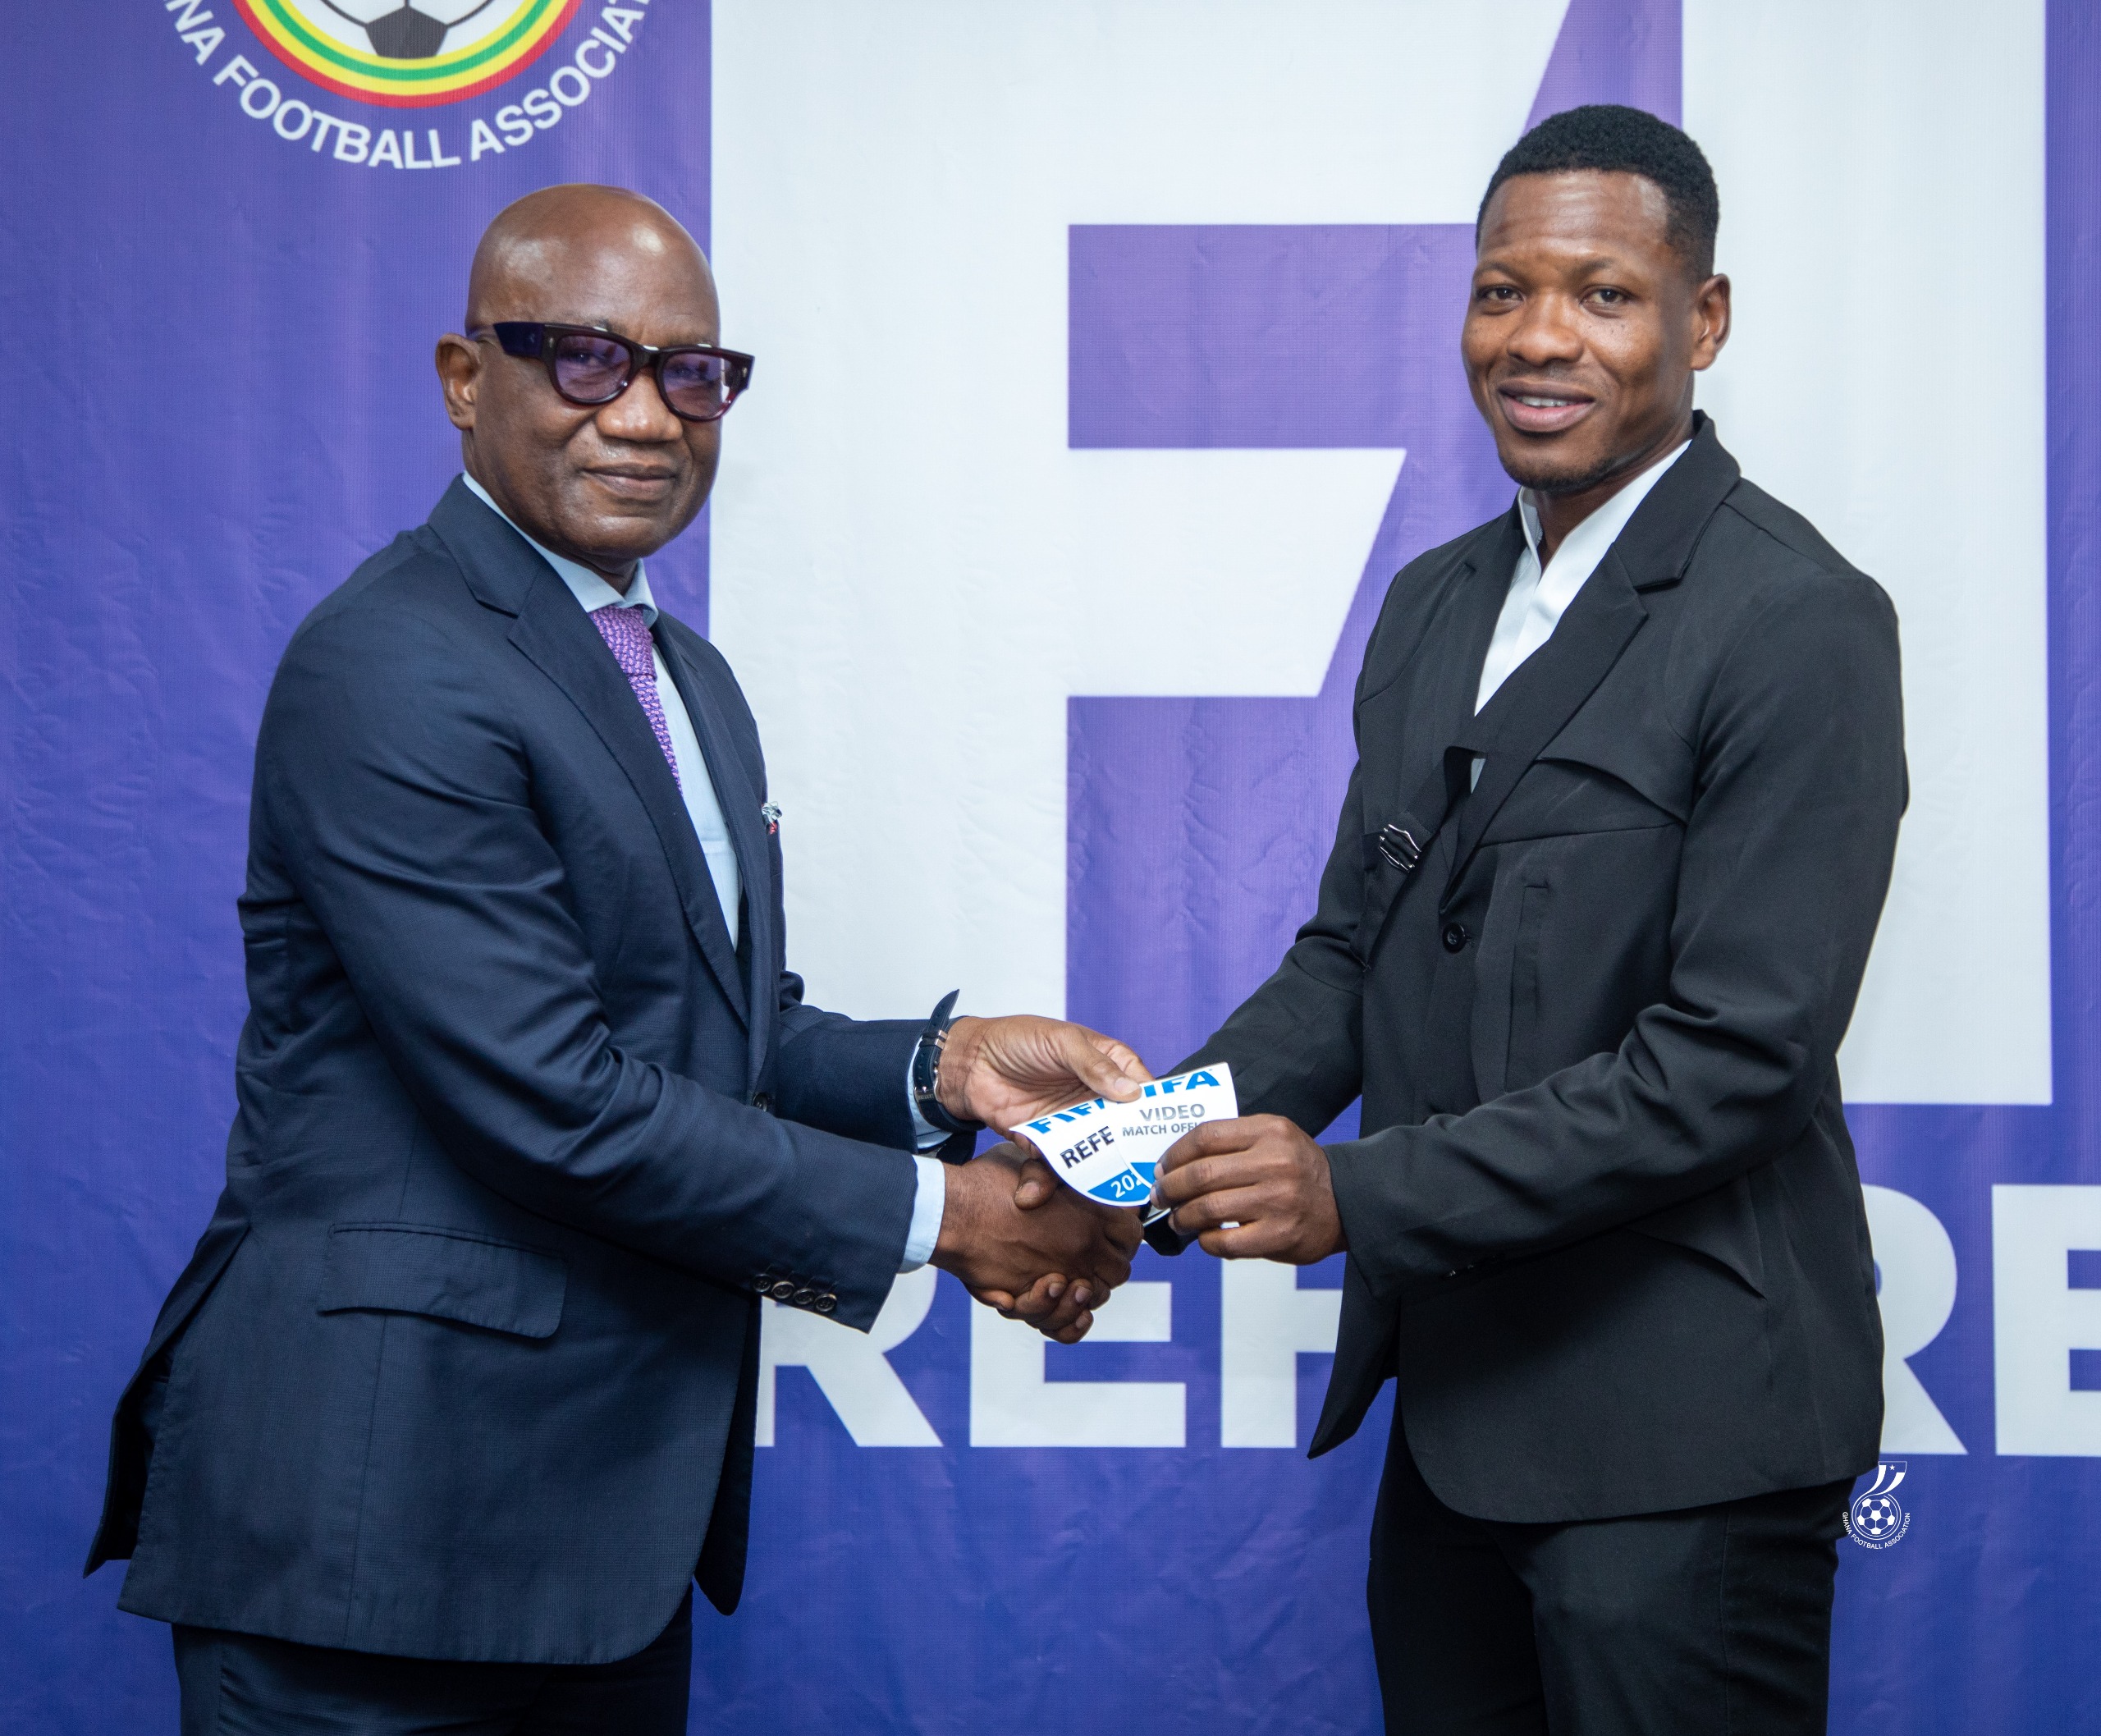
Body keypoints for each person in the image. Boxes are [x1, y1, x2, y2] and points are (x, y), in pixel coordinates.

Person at [85, 183, 1143, 1734]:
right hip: (377, 1534)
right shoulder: (392, 661)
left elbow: (704, 1032)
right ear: (465, 378)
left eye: (692, 374)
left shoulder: (681, 676)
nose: (646, 416)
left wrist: (946, 1070)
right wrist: (952, 1216)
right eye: (586, 359)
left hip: (597, 1546)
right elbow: (557, 1096)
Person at [1150, 105, 1905, 1734]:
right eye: (1502, 292)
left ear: (1703, 319)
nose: (1537, 338)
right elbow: (1352, 954)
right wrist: (1130, 1155)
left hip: (1684, 1446)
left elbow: (1735, 1058)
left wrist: (1347, 1192)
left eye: (1602, 294)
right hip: (1458, 1422)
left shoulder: (1797, 618)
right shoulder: (1433, 599)